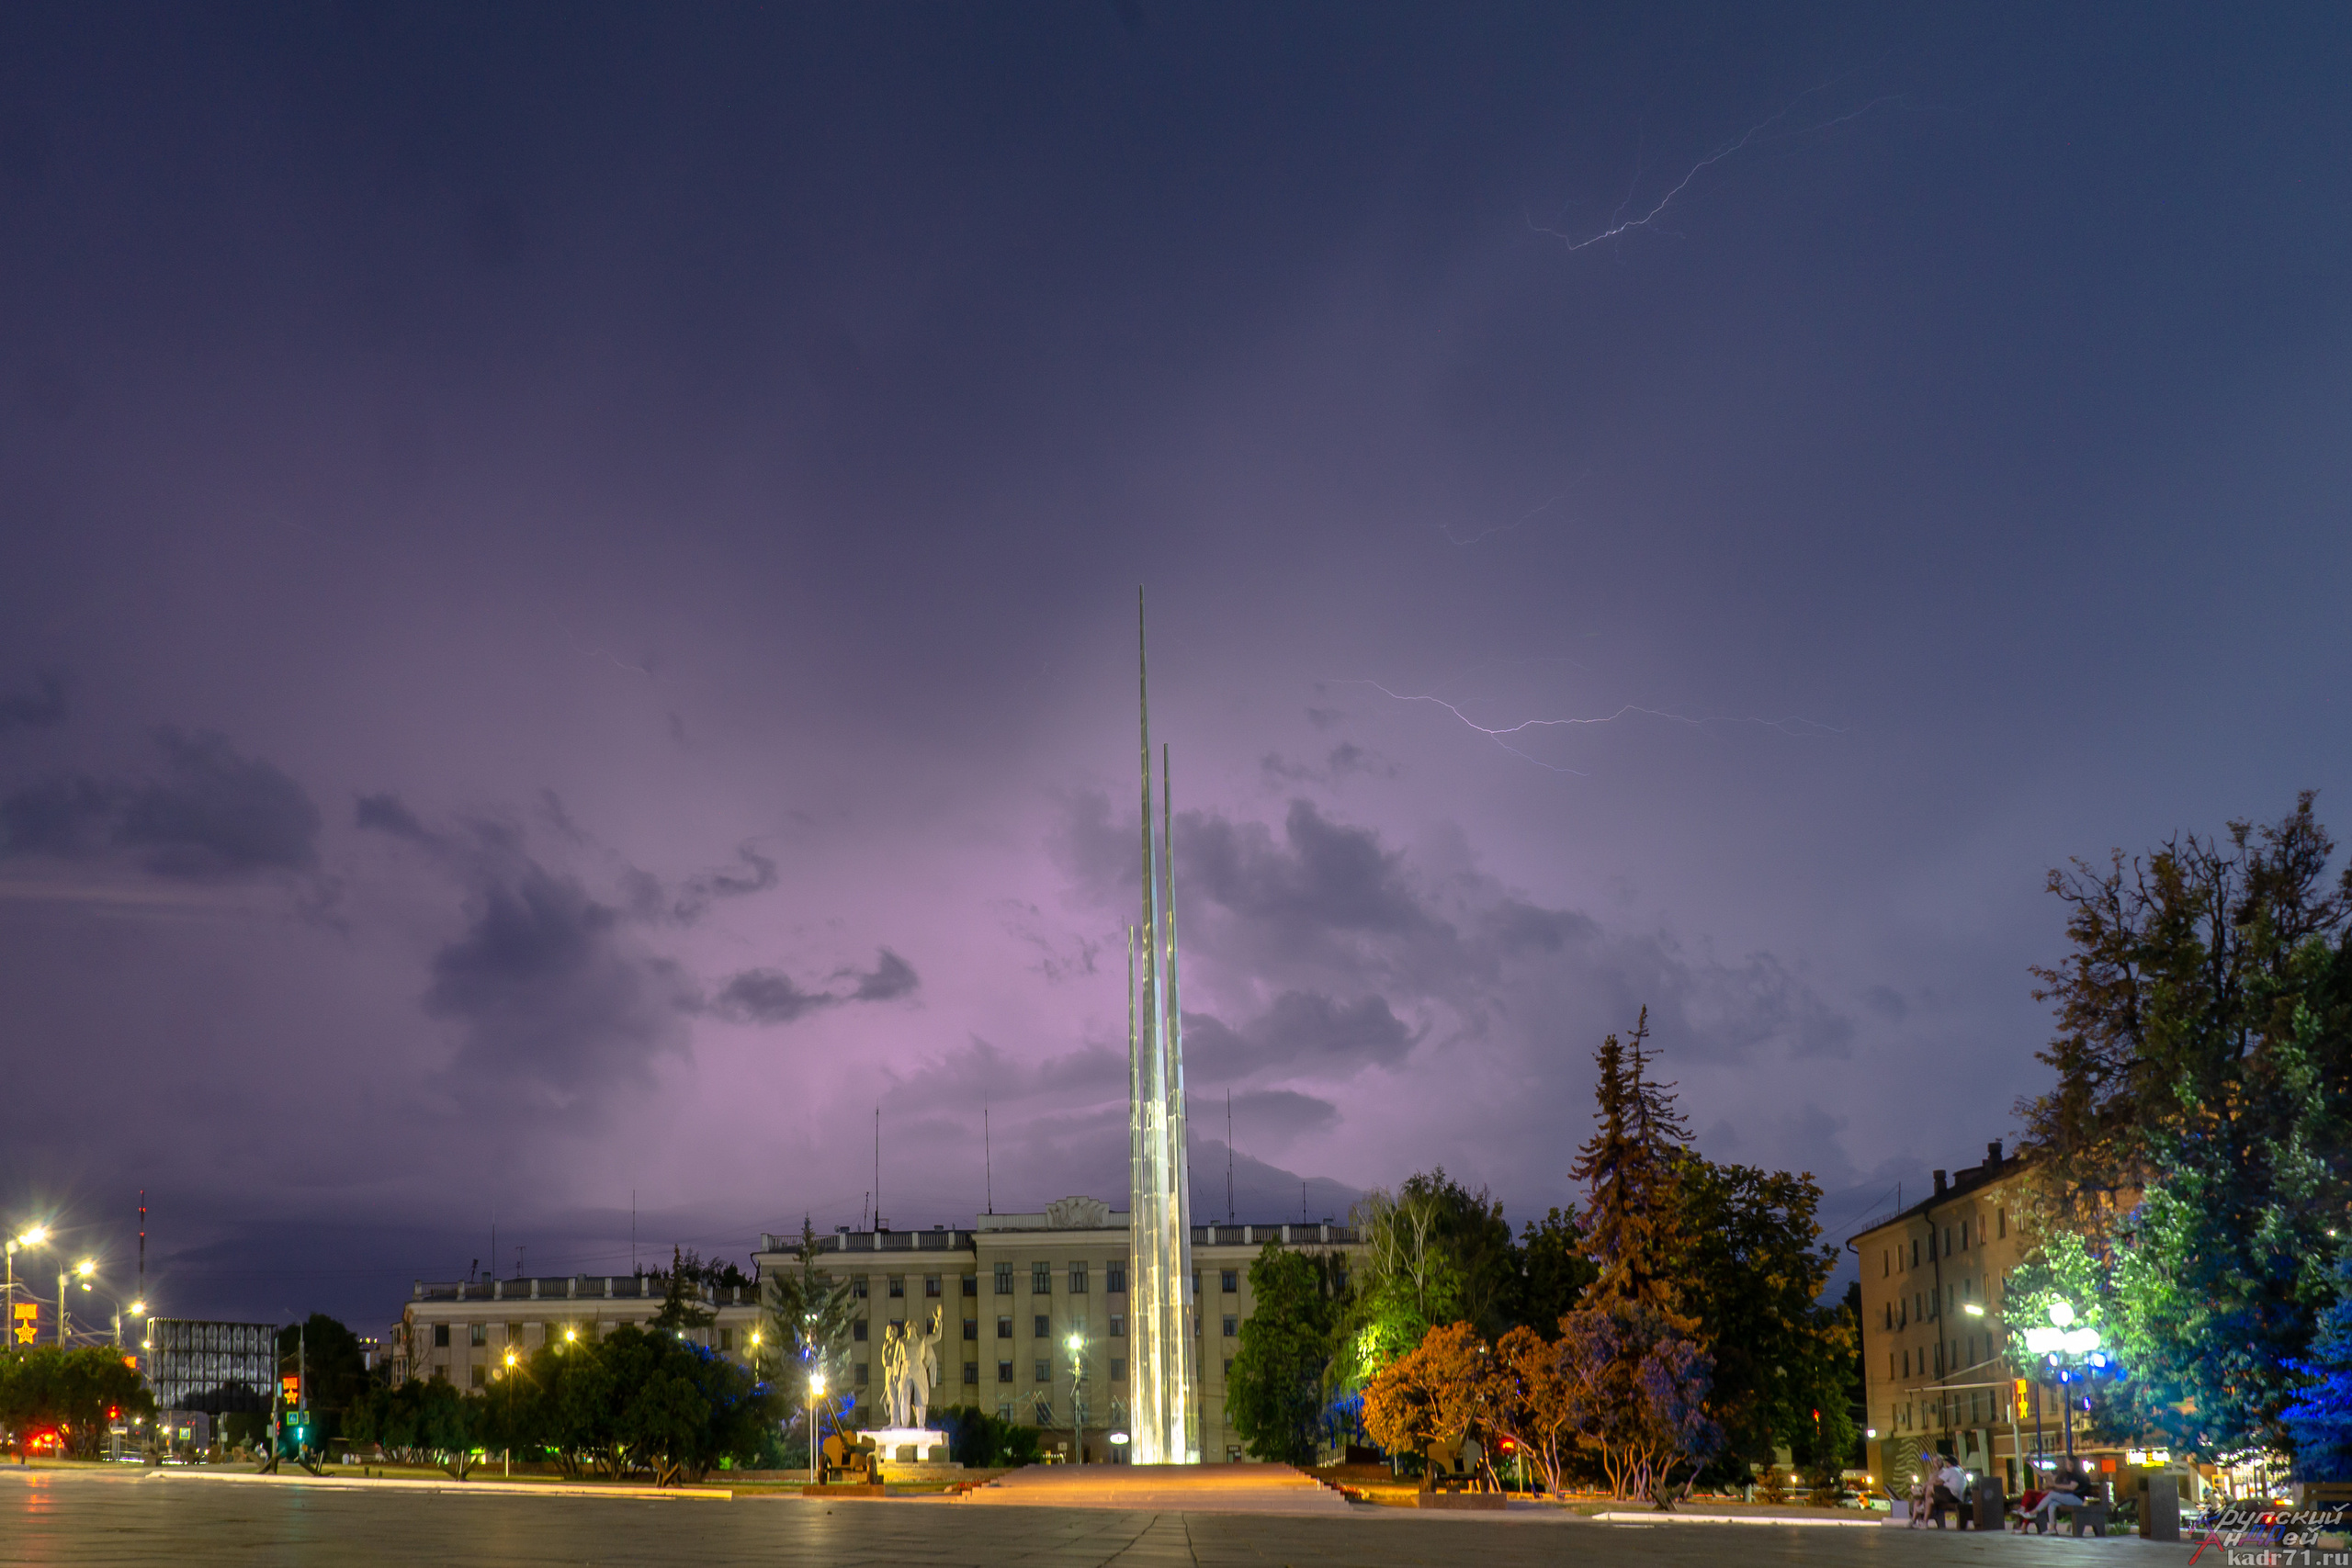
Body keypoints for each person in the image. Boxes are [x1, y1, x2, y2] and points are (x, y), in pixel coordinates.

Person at [2027, 1461, 2091, 1532]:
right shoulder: (2066, 1474)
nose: (2067, 1467)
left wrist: (2055, 1486)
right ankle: (2052, 1528)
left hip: (2076, 1499)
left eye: (2069, 1465)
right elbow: (2043, 1474)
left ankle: (2034, 1512)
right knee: (2052, 1504)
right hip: (2068, 1497)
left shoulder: (2077, 1476)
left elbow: (2071, 1488)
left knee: (2052, 1494)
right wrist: (2031, 1464)